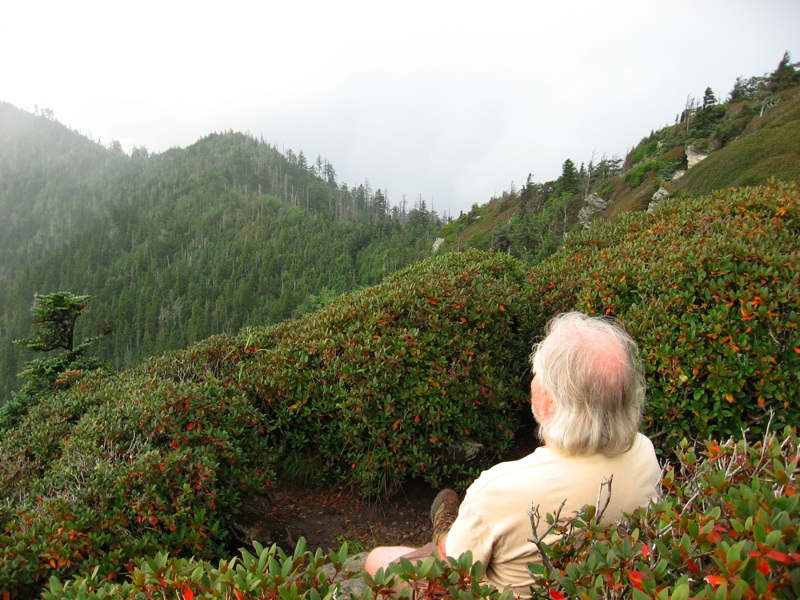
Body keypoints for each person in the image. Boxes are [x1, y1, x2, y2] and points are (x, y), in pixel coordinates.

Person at [364, 312, 662, 597]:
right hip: (598, 582)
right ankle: (448, 526)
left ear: (548, 402)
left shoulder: (502, 489)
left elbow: (455, 569)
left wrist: (446, 542)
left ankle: (444, 529)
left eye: (537, 376)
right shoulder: (645, 453)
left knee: (378, 559)